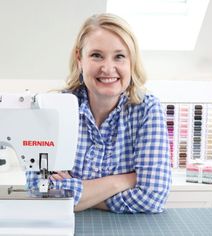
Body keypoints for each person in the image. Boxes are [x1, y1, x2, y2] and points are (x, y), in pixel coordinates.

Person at [26, 13, 172, 213]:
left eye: (119, 56)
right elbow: (40, 189)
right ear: (80, 59)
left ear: (132, 61)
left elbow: (153, 197)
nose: (108, 68)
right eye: (96, 55)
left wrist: (75, 195)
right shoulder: (53, 109)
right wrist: (124, 180)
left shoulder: (147, 110)